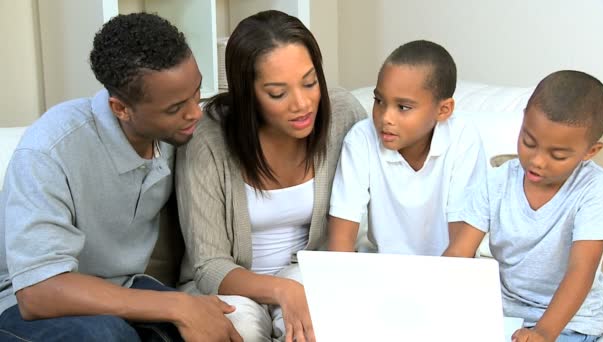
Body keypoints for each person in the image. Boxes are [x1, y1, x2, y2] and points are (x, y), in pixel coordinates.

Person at [0, 13, 242, 342]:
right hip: (20, 301)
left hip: (120, 286)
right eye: (175, 108)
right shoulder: (48, 152)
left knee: (214, 321)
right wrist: (174, 305)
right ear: (120, 109)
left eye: (196, 92)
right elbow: (37, 292)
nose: (195, 113)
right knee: (107, 335)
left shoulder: (174, 134)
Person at [175, 10, 366, 342]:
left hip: (308, 273)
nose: (303, 104)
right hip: (231, 286)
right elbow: (209, 266)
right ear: (247, 96)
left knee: (317, 328)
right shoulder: (208, 141)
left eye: (310, 82)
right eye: (278, 93)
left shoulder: (343, 115)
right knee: (240, 330)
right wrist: (282, 290)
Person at [443, 70, 603, 341]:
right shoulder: (496, 181)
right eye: (529, 142)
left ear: (590, 151)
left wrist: (544, 332)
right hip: (505, 312)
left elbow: (582, 269)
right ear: (523, 121)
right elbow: (461, 251)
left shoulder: (595, 190)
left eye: (558, 155)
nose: (537, 161)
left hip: (570, 321)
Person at [327, 40, 486, 255]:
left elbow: (461, 244)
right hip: (382, 270)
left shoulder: (462, 139)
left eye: (403, 107)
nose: (386, 117)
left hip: (447, 271)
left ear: (443, 110)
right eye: (379, 100)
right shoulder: (360, 139)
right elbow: (340, 242)